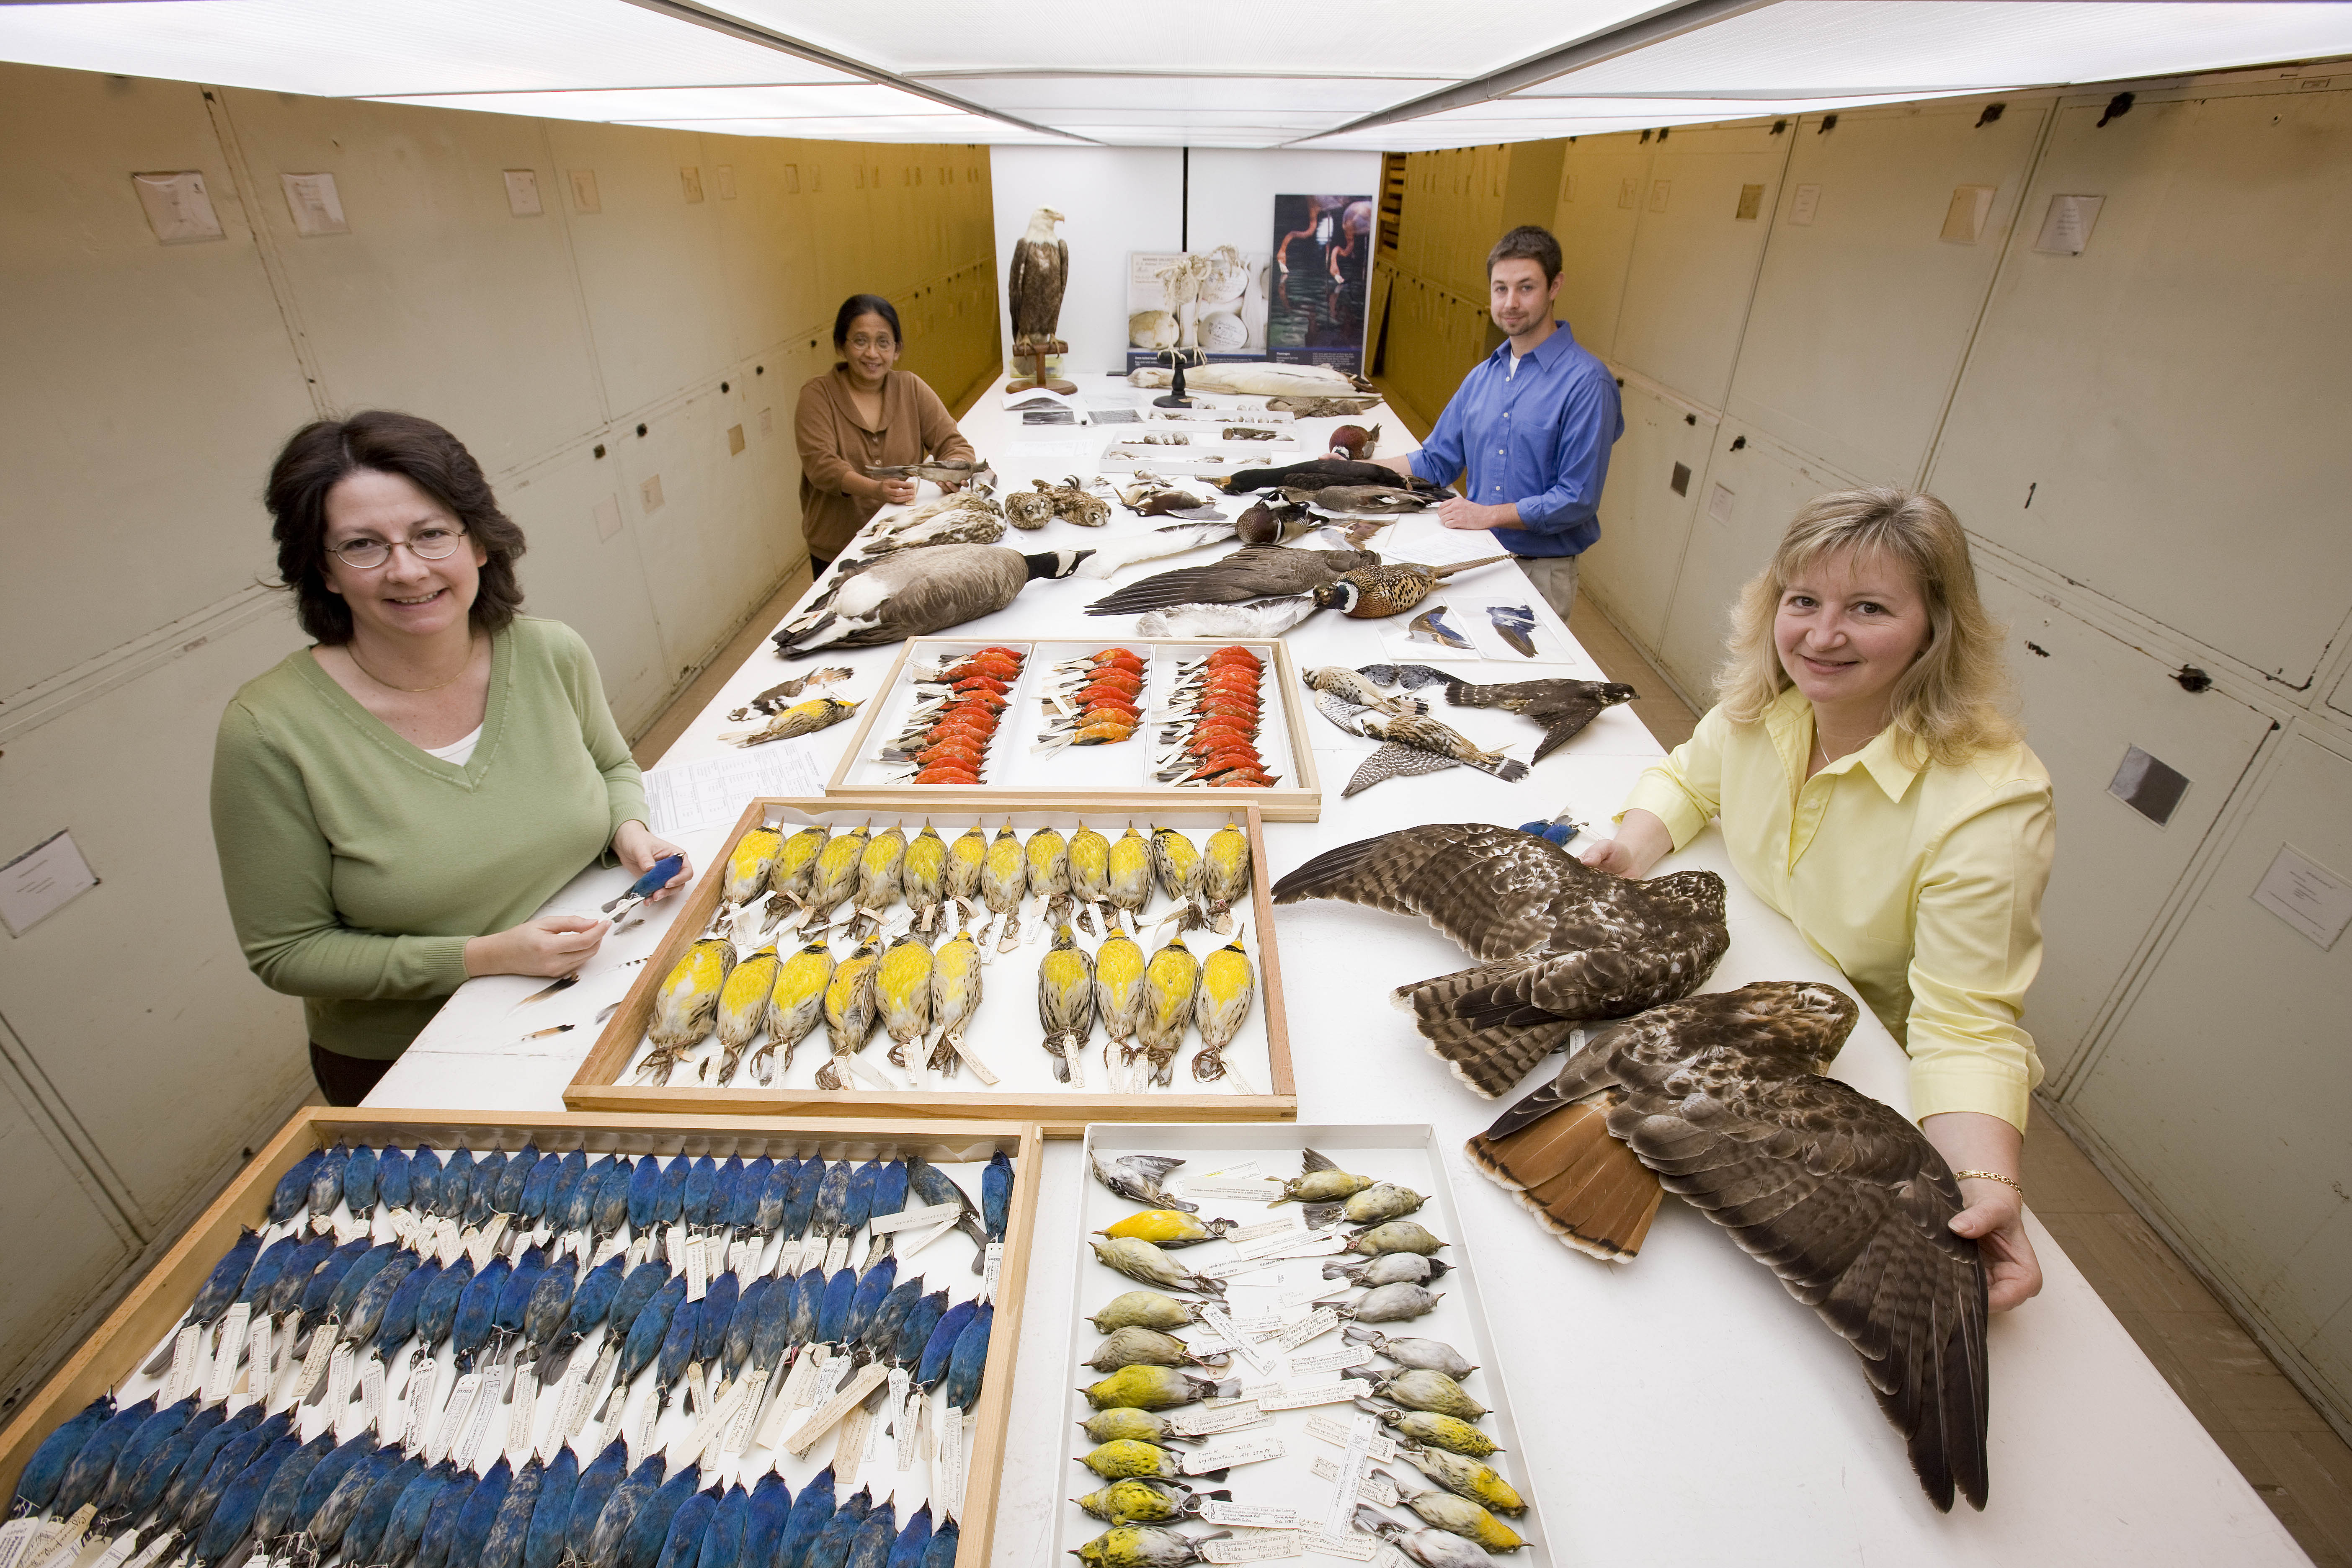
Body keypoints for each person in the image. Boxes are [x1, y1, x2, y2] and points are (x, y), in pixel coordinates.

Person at [1582, 488, 2054, 1311]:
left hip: (1848, 1066)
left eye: (1868, 608)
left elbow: (1966, 1024)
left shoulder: (1990, 803)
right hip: (1733, 997)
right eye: (1804, 602)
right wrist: (1630, 845)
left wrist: (1984, 1182)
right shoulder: (1770, 706)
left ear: (1935, 630)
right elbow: (1688, 776)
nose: (1823, 636)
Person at [211, 411, 689, 1105]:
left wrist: (629, 831)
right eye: (363, 545)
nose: (406, 569)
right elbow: (289, 951)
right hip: (418, 1059)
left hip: (597, 995)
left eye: (431, 533)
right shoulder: (270, 731)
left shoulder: (549, 652)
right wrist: (487, 955)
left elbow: (613, 767)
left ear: (480, 544)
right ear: (324, 570)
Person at [1379, 224, 1621, 622]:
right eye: (1500, 289)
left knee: (1522, 679)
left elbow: (1577, 498)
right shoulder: (1483, 377)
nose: (1511, 302)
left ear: (1555, 286)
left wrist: (1487, 514)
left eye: (1526, 288)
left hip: (1541, 571)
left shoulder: (1587, 383)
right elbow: (1437, 461)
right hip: (1477, 555)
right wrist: (1353, 471)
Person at [794, 293, 977, 575]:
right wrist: (875, 488)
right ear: (841, 346)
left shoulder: (911, 388)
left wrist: (951, 472)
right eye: (860, 341)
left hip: (904, 539)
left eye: (883, 342)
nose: (872, 353)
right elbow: (821, 466)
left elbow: (953, 443)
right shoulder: (817, 395)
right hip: (838, 547)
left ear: (897, 349)